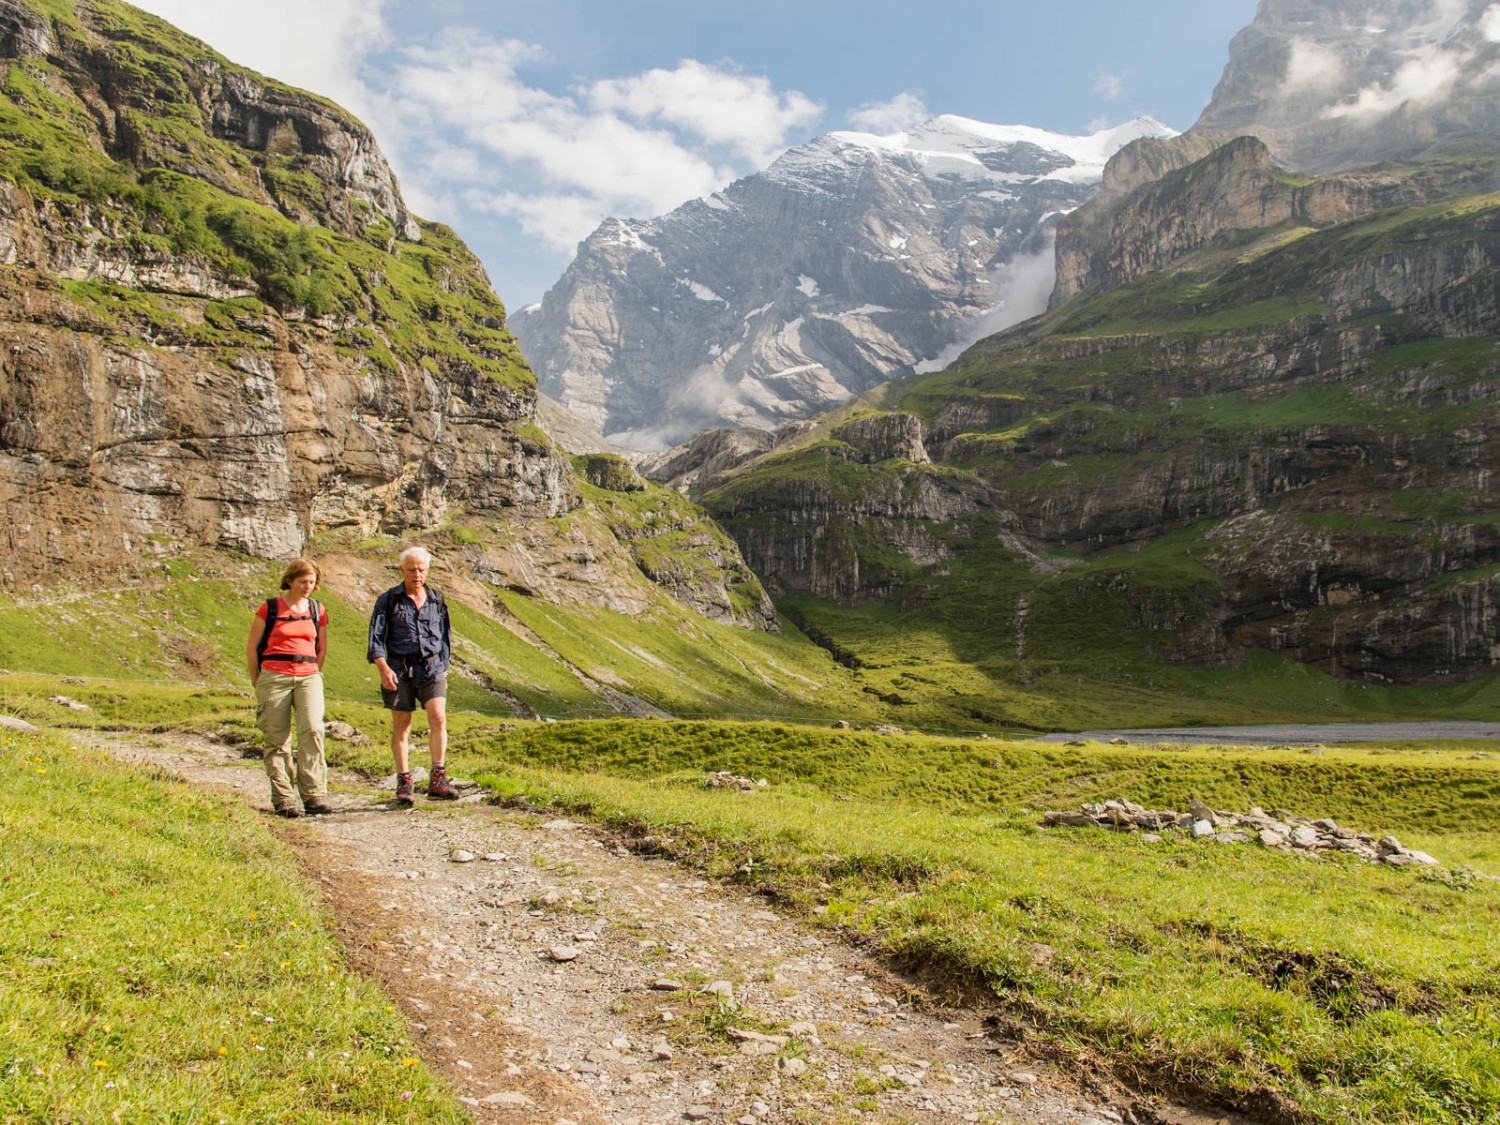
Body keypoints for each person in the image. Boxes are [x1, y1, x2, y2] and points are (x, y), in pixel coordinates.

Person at [367, 545, 456, 805]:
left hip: (432, 668)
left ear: (427, 570)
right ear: (401, 570)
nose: (417, 574)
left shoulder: (437, 599)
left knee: (438, 718)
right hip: (399, 670)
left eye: (421, 569)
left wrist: (445, 666)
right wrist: (383, 668)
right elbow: (376, 637)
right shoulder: (389, 599)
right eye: (411, 569)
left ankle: (438, 779)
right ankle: (404, 782)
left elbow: (446, 636)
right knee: (402, 725)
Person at [246, 558, 332, 818]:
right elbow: (252, 647)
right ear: (290, 580)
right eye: (303, 581)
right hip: (274, 675)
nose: (308, 586)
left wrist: (314, 670)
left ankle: (314, 795)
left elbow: (321, 646)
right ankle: (284, 798)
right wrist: (257, 679)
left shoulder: (318, 610)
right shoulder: (269, 608)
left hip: (308, 675)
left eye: (312, 582)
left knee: (314, 730)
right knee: (277, 738)